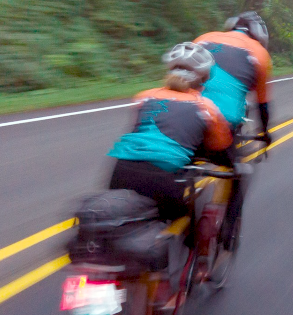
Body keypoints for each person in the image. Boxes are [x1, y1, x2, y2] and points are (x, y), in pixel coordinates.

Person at [108, 42, 232, 222]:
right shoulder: (206, 108)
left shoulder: (144, 97)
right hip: (164, 183)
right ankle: (191, 245)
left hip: (119, 175)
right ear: (203, 79)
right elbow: (220, 148)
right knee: (182, 218)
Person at [194, 11, 273, 144]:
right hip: (220, 124)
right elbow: (262, 105)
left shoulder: (203, 38)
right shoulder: (259, 53)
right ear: (259, 36)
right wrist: (265, 133)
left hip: (179, 115)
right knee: (234, 161)